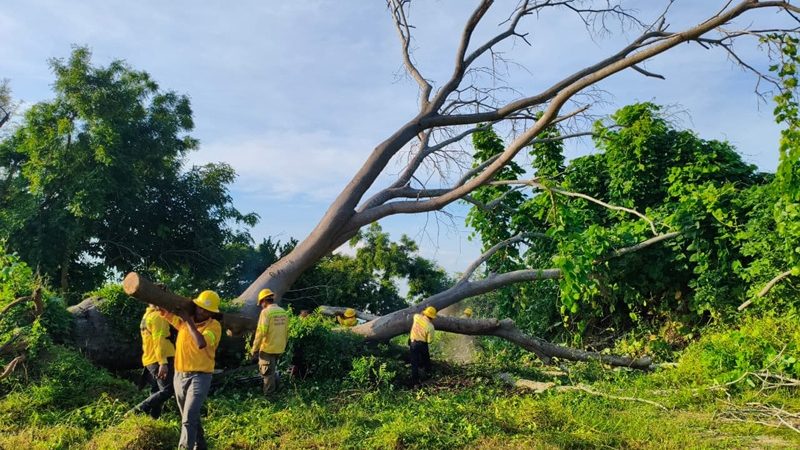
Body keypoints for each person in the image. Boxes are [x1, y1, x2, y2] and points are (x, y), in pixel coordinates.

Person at [162, 290, 222, 450]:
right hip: (179, 376)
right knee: (189, 416)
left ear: (212, 313)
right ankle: (200, 446)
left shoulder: (214, 326)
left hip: (200, 377)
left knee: (188, 418)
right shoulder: (183, 323)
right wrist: (159, 295)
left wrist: (188, 320)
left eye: (206, 310)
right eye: (200, 307)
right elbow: (164, 311)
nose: (201, 311)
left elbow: (201, 343)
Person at [130, 304, 175, 418]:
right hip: (159, 358)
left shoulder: (147, 314)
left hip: (151, 358)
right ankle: (137, 410)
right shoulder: (157, 316)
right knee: (168, 390)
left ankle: (153, 418)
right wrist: (163, 362)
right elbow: (159, 340)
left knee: (156, 390)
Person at [250, 288, 289, 394]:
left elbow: (261, 333)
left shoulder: (266, 312)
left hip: (268, 348)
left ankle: (270, 397)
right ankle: (278, 391)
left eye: (261, 303)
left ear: (264, 301)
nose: (261, 306)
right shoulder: (283, 311)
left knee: (267, 373)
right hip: (279, 347)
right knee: (273, 370)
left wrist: (254, 349)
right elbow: (286, 331)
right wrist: (283, 345)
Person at [409, 306, 436, 385]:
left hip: (413, 343)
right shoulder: (430, 327)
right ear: (432, 317)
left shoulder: (416, 317)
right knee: (426, 360)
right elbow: (429, 341)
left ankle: (415, 381)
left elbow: (417, 314)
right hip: (423, 344)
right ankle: (428, 375)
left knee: (414, 362)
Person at [289, 309, 310, 379]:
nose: (306, 314)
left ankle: (300, 377)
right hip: (298, 347)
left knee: (300, 364)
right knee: (297, 363)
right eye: (304, 312)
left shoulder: (308, 321)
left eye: (307, 312)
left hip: (303, 347)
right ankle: (296, 377)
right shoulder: (297, 321)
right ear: (301, 312)